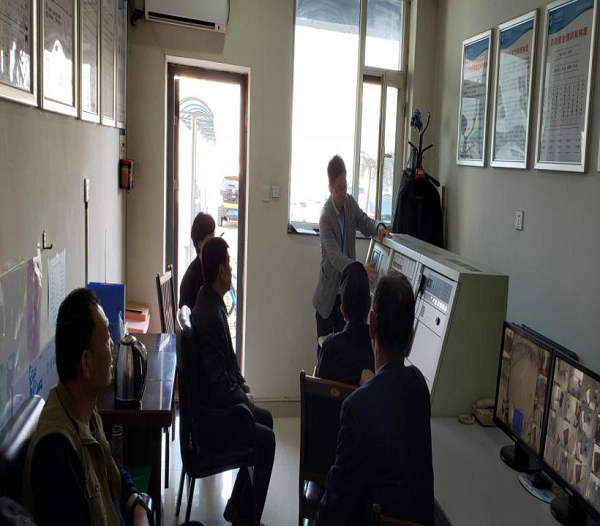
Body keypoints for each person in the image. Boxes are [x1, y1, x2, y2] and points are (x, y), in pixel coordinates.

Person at [22, 289, 151, 526]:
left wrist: (137, 505)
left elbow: (115, 470)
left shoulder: (85, 411)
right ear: (87, 362)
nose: (113, 345)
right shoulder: (57, 453)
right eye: (107, 339)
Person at [317, 274, 434, 526]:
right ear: (411, 337)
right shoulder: (420, 387)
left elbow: (334, 507)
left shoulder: (356, 408)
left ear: (371, 325)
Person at [192, 237, 275, 526]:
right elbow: (218, 387)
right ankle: (246, 521)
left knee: (267, 420)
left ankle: (237, 509)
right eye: (229, 264)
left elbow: (225, 363)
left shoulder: (209, 300)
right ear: (220, 270)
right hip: (214, 421)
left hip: (214, 408)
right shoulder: (210, 314)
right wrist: (243, 399)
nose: (231, 269)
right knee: (266, 440)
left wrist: (241, 385)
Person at [313, 155, 389, 342]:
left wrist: (379, 227)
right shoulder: (325, 217)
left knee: (345, 348)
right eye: (338, 189)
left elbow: (365, 223)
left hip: (347, 294)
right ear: (330, 188)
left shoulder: (350, 203)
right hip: (328, 297)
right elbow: (336, 258)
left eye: (345, 186)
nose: (343, 193)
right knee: (325, 349)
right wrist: (360, 271)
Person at [316, 262, 374, 386]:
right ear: (370, 304)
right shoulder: (376, 351)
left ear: (342, 310)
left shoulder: (329, 347)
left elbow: (318, 391)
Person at [179, 211, 216, 309]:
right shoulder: (194, 276)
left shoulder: (204, 267)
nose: (214, 240)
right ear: (200, 244)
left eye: (214, 235)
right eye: (211, 237)